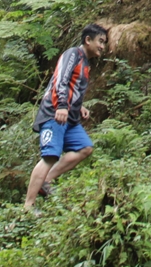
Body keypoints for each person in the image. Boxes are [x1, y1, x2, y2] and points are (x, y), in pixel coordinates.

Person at [24, 23, 108, 210]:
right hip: (55, 113)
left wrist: (79, 107)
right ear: (88, 40)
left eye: (104, 42)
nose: (102, 46)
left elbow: (72, 87)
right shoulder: (73, 54)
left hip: (69, 117)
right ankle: (28, 206)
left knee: (85, 148)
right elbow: (61, 79)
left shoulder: (85, 62)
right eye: (100, 41)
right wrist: (62, 106)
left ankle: (46, 181)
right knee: (49, 156)